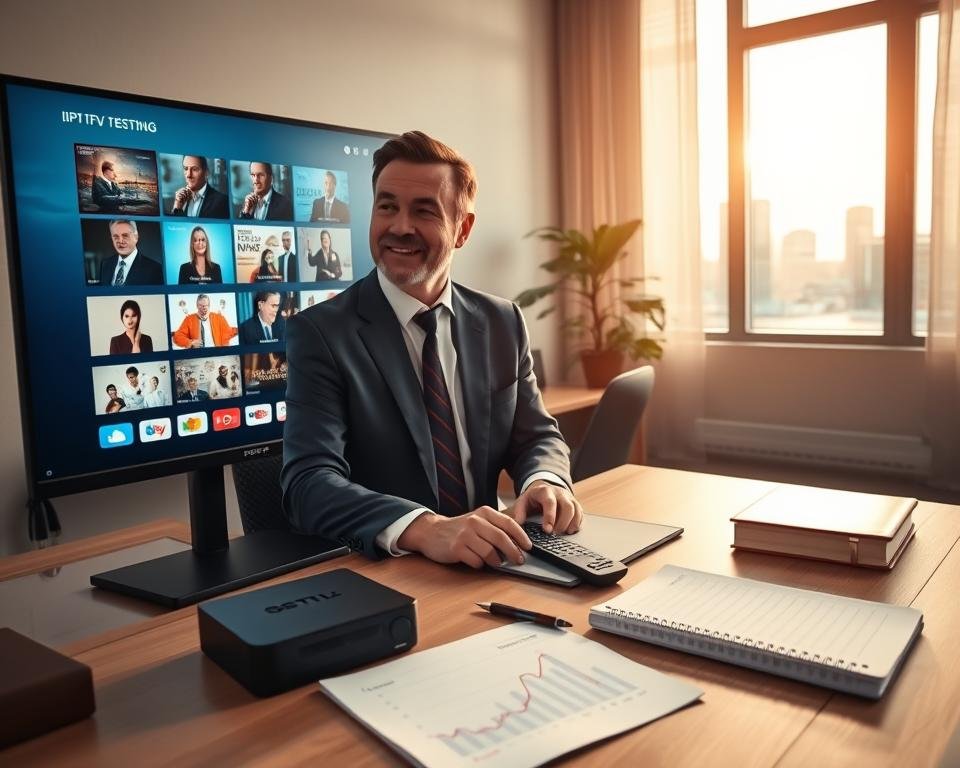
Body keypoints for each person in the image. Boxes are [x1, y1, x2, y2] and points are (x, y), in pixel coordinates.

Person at [282, 131, 580, 569]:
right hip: (393, 574)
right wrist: (427, 528)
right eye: (387, 206)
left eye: (423, 210)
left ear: (463, 228)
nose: (399, 227)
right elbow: (308, 484)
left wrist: (545, 480)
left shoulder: (502, 321)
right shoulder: (322, 333)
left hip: (491, 563)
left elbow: (535, 435)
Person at [98, 220, 164, 286]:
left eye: (125, 236)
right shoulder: (105, 264)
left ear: (136, 237)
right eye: (116, 237)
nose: (120, 241)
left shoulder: (154, 269)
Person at [171, 293, 238, 348]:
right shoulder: (189, 319)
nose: (204, 308)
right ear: (197, 305)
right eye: (201, 306)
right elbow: (177, 336)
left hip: (217, 354)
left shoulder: (219, 318)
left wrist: (241, 329)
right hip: (198, 356)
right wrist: (190, 342)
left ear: (209, 305)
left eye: (206, 305)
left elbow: (229, 332)